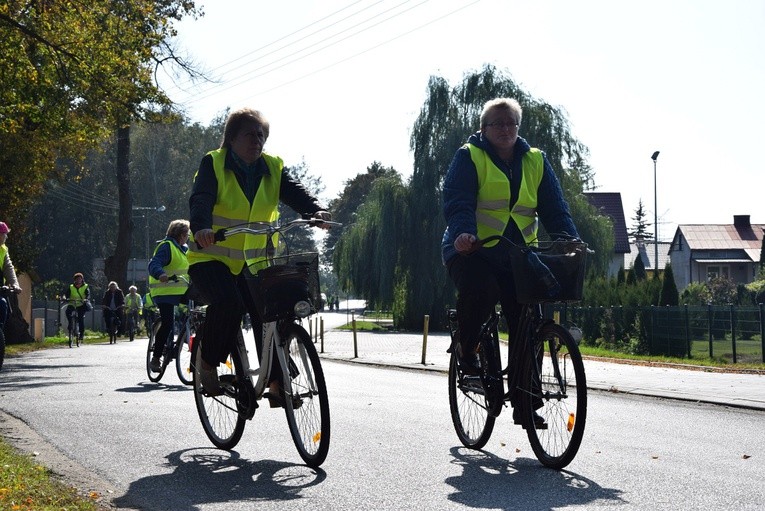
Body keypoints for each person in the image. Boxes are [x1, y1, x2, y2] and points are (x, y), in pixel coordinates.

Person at [441, 98, 579, 419]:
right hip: (473, 249)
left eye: (510, 123)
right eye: (497, 124)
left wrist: (567, 240)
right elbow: (458, 200)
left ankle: (525, 402)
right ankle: (468, 349)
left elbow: (555, 210)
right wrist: (463, 233)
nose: (505, 129)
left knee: (528, 320)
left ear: (518, 128)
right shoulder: (469, 157)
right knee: (483, 290)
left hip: (519, 252)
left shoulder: (536, 161)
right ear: (483, 129)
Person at [188, 107, 331, 400]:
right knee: (229, 303)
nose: (258, 140)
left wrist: (314, 210)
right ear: (231, 138)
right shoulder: (214, 163)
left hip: (254, 262)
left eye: (262, 135)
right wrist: (201, 228)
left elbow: (295, 192)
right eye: (250, 134)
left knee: (274, 311)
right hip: (211, 257)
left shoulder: (272, 167)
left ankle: (278, 382)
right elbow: (201, 199)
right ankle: (206, 361)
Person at [147, 219, 190, 372]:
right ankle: (156, 358)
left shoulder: (184, 249)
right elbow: (154, 264)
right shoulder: (167, 246)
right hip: (164, 291)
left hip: (181, 291)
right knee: (168, 324)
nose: (188, 237)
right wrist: (161, 274)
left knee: (200, 310)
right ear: (181, 234)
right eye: (187, 234)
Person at [0, 222, 22, 338]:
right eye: (4, 234)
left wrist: (15, 284)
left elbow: (8, 267)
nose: (6, 237)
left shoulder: (3, 249)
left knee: (3, 306)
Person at [62, 272, 91, 341]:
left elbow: (88, 294)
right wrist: (64, 298)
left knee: (81, 319)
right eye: (77, 279)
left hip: (81, 304)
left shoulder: (85, 286)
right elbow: (66, 294)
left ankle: (81, 334)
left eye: (80, 279)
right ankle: (70, 323)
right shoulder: (71, 287)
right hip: (72, 303)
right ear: (74, 280)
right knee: (68, 312)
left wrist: (86, 299)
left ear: (82, 279)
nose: (78, 280)